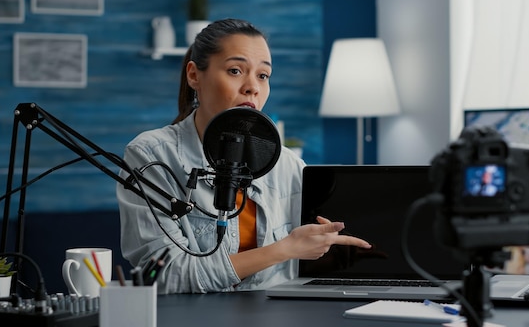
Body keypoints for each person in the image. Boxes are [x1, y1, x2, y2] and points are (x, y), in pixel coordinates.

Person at [117, 18, 371, 294]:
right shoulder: (151, 156)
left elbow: (298, 267)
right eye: (235, 70)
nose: (253, 87)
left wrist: (331, 255)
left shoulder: (288, 164)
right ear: (194, 75)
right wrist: (283, 250)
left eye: (263, 75)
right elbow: (166, 276)